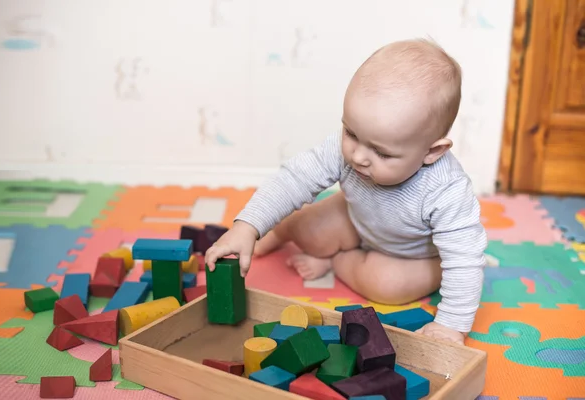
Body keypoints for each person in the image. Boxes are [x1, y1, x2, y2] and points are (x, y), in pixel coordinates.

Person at [205, 38, 487, 345]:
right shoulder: (349, 150)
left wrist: (451, 324)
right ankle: (279, 231)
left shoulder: (446, 190)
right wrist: (248, 224)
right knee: (308, 224)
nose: (358, 156)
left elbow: (464, 259)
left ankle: (335, 261)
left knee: (386, 285)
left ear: (431, 152)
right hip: (358, 219)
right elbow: (294, 179)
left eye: (382, 153)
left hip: (412, 255)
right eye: (351, 133)